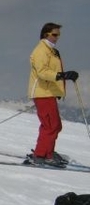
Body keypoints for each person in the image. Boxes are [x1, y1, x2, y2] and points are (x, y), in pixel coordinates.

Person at [27, 22, 79, 166]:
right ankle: (40, 155)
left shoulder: (51, 51)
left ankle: (48, 152)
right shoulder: (41, 51)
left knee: (55, 125)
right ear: (46, 34)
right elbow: (42, 72)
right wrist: (62, 75)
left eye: (58, 35)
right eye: (54, 34)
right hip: (42, 93)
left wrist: (64, 77)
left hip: (48, 92)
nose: (57, 38)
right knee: (50, 125)